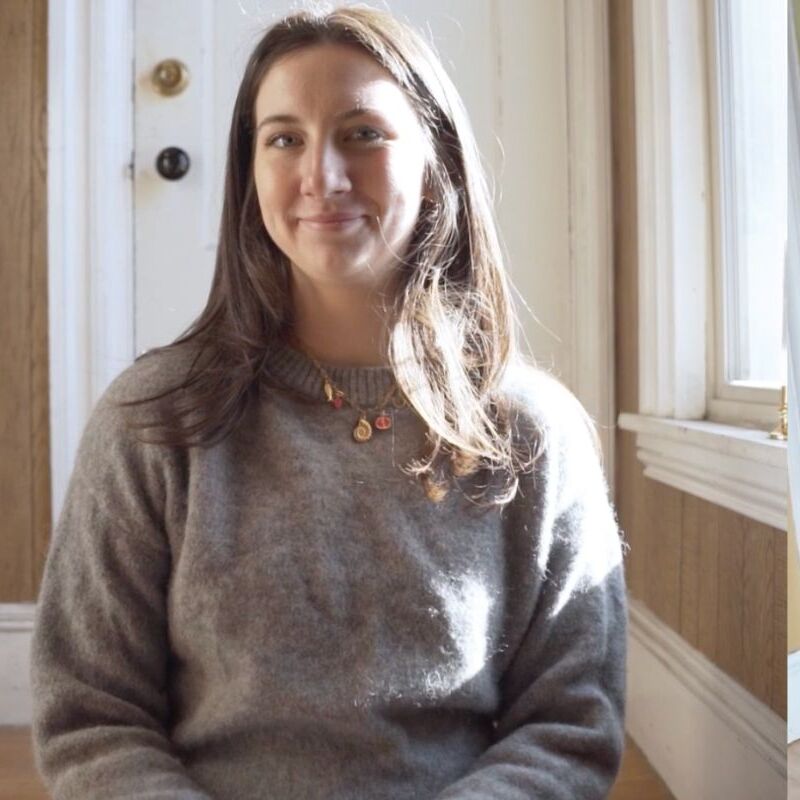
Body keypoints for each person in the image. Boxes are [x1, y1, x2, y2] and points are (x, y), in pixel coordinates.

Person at [30, 5, 628, 799]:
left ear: (436, 161)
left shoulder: (534, 434)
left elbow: (568, 727)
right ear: (250, 172)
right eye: (284, 138)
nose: (322, 175)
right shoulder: (152, 420)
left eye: (363, 133)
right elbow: (90, 717)